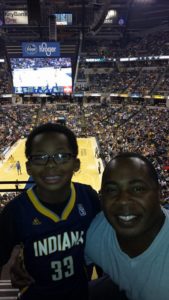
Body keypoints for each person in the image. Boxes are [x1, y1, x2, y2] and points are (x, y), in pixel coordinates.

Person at [0, 123, 101, 300]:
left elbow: (104, 249)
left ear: (76, 163)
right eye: (40, 157)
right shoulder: (13, 213)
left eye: (61, 156)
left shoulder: (89, 198)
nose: (51, 165)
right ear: (28, 167)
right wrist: (8, 271)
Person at [85, 152, 169, 300]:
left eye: (138, 189)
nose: (123, 200)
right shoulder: (96, 232)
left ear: (160, 193)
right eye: (111, 190)